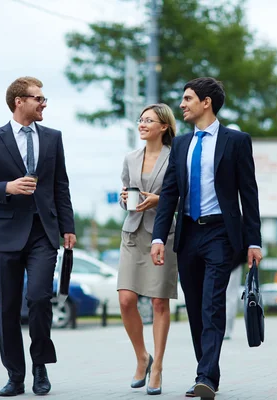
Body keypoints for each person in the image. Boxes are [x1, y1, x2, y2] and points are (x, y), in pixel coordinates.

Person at [151, 77, 262, 399]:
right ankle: (207, 370)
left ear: (206, 102)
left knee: (213, 303)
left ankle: (206, 378)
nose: (182, 105)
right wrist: (159, 237)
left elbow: (249, 194)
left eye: (187, 99)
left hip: (221, 234)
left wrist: (253, 241)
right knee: (197, 309)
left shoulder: (236, 141)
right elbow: (169, 194)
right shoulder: (181, 145)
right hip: (188, 234)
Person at [0, 76, 76, 397]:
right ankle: (16, 376)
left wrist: (68, 227)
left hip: (45, 232)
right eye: (38, 99)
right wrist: (7, 188)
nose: (44, 104)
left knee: (40, 298)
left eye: (44, 99)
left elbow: (60, 186)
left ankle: (40, 365)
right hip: (5, 236)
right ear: (19, 101)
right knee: (9, 308)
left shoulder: (54, 138)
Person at [117, 103, 178, 395]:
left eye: (148, 120)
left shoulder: (176, 157)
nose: (142, 124)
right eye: (140, 120)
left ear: (163, 127)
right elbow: (128, 191)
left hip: (163, 235)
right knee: (126, 300)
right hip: (132, 233)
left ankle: (158, 367)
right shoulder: (130, 158)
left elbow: (185, 198)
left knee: (158, 303)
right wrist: (123, 198)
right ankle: (142, 356)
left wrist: (160, 201)